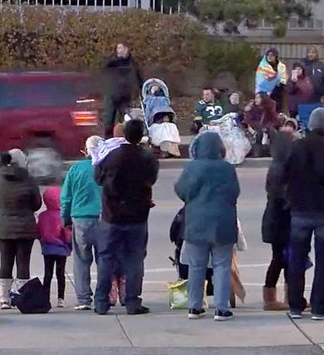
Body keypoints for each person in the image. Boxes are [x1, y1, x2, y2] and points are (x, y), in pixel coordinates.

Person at [283, 107, 324, 320]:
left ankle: (295, 305)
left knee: (297, 259)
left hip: (300, 209)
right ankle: (319, 306)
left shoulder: (296, 148)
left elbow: (283, 176)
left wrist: (289, 198)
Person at [93, 119, 159, 315]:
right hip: (137, 216)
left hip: (111, 216)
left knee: (106, 258)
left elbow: (98, 178)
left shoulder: (111, 157)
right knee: (135, 260)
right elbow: (151, 180)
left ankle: (102, 302)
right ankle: (132, 301)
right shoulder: (147, 158)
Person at [175, 132, 242, 321]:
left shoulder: (192, 168)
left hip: (196, 221)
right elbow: (234, 192)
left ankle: (194, 307)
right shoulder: (228, 169)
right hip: (223, 222)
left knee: (196, 265)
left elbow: (180, 189)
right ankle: (221, 308)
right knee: (222, 265)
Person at [0, 149, 41, 309]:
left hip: (3, 227)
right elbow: (36, 203)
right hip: (25, 227)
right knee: (23, 263)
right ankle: (22, 296)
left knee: (5, 261)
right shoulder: (29, 180)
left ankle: (4, 298)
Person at [60, 135, 103, 311]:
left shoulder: (75, 169)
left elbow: (66, 197)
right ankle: (103, 296)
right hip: (103, 218)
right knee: (104, 259)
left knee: (81, 260)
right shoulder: (105, 168)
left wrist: (65, 219)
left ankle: (84, 298)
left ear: (85, 150)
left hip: (80, 218)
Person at [261, 122, 297, 311]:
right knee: (285, 258)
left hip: (274, 218)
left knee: (280, 258)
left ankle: (273, 295)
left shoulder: (275, 165)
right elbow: (281, 194)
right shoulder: (285, 168)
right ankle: (284, 296)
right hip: (283, 219)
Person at [37, 186, 72, 308]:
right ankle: (60, 298)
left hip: (47, 248)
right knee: (60, 273)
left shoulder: (42, 216)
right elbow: (67, 234)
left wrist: (42, 241)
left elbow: (38, 231)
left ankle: (45, 297)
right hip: (61, 249)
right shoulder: (63, 216)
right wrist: (69, 245)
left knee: (48, 273)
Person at [102, 43, 144, 138]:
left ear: (126, 49)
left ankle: (123, 139)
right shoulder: (113, 61)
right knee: (109, 120)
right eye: (117, 48)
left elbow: (139, 77)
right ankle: (108, 140)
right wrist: (117, 58)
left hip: (126, 95)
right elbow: (104, 66)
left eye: (121, 48)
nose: (119, 50)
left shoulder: (132, 63)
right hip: (112, 93)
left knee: (125, 120)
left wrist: (141, 90)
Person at [244, 92, 278, 157]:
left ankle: (274, 152)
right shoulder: (252, 108)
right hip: (254, 128)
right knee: (259, 133)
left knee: (272, 131)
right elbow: (248, 121)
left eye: (258, 98)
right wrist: (260, 126)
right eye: (255, 97)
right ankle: (257, 153)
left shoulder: (269, 108)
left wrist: (266, 127)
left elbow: (274, 120)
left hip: (267, 128)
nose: (256, 99)